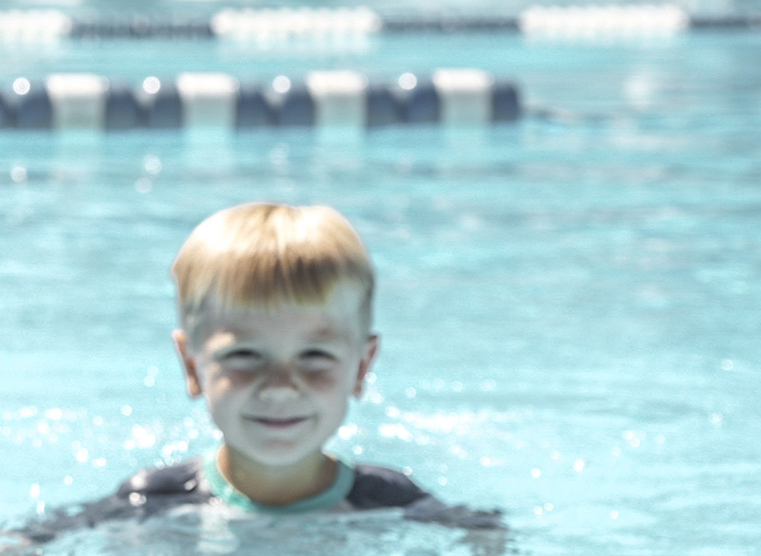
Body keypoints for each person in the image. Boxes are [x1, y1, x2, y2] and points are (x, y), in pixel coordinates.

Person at [27, 202, 493, 539]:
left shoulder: (390, 502)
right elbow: (37, 541)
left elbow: (486, 538)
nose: (280, 387)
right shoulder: (154, 501)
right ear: (192, 365)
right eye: (246, 356)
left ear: (361, 367)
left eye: (315, 356)